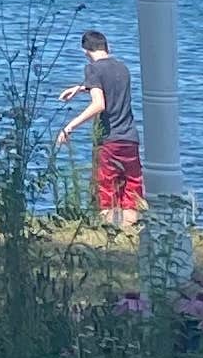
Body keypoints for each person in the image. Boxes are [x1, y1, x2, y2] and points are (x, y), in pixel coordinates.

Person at [56, 26, 142, 222]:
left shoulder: (92, 68)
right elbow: (111, 88)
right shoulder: (123, 68)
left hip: (109, 140)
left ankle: (110, 231)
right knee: (131, 188)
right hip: (130, 138)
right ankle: (130, 230)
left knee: (107, 189)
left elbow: (99, 104)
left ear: (85, 51)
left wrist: (69, 127)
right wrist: (79, 88)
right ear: (106, 47)